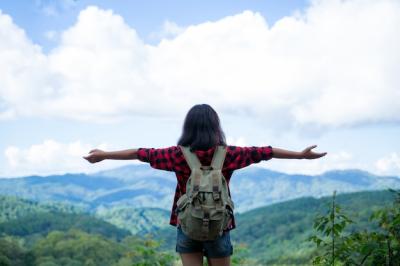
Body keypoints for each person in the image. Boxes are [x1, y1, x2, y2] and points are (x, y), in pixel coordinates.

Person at [84, 104, 327, 266]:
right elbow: (267, 152)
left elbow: (140, 153)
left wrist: (105, 154)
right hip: (220, 226)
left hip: (187, 226)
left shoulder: (177, 155)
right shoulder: (228, 154)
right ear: (216, 126)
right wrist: (300, 155)